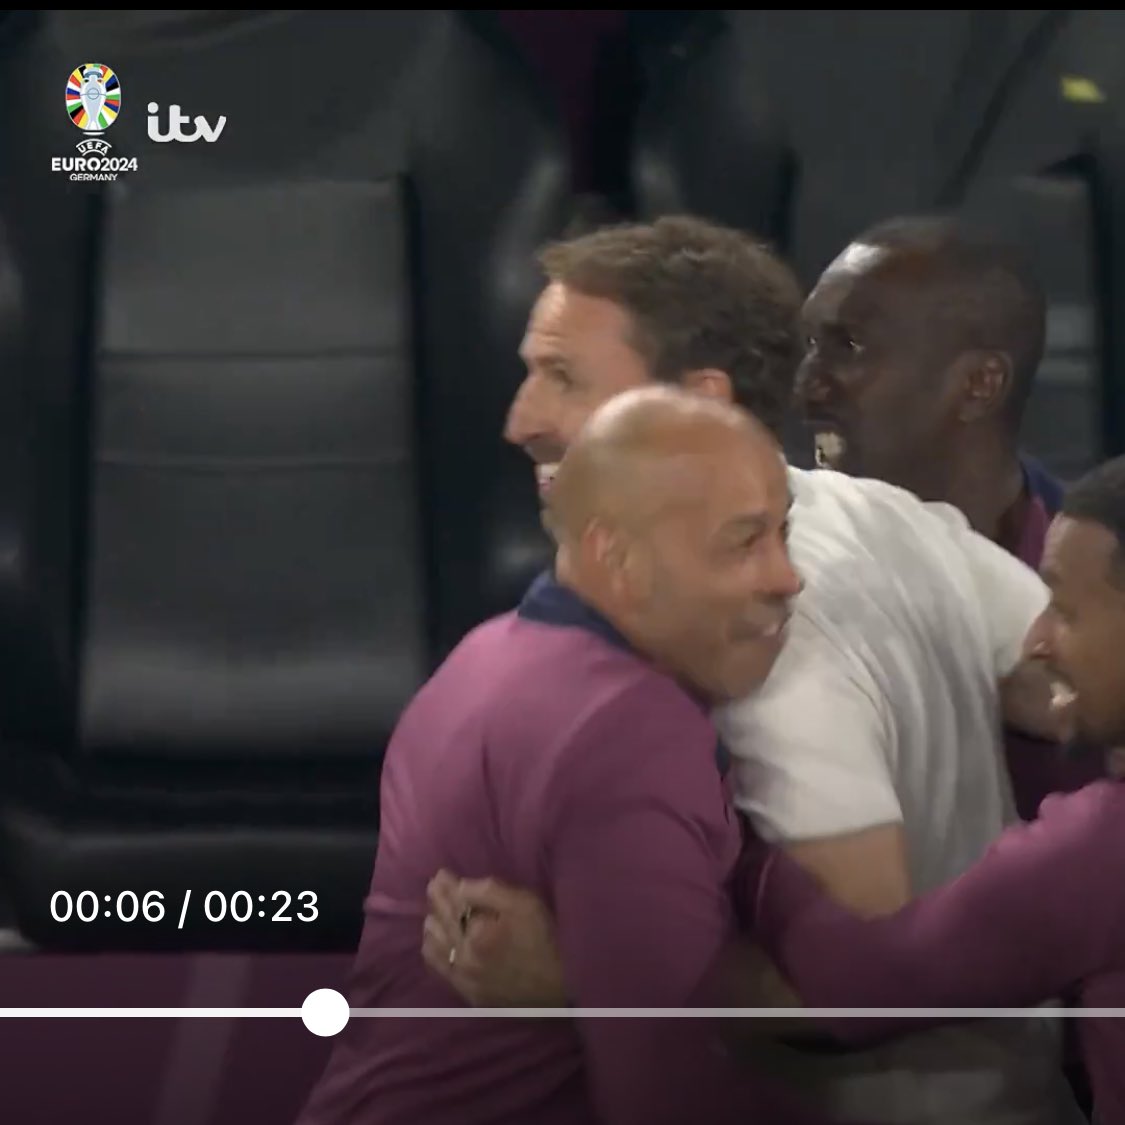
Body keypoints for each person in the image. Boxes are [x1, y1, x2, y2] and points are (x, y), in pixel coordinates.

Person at [425, 215, 1081, 1125]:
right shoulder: (885, 513)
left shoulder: (762, 633)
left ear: (697, 399)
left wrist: (587, 967)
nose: (522, 420)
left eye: (566, 380)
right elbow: (1069, 689)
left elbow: (867, 983)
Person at [296, 386, 826, 1125]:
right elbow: (670, 1099)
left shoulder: (484, 656)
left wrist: (589, 980)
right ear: (618, 554)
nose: (786, 576)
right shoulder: (629, 730)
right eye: (742, 541)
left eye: (781, 534)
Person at [747, 454, 1125, 1125]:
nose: (1036, 639)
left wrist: (743, 861)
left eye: (1063, 608)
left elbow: (860, 987)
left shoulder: (1101, 853)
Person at [795, 213, 1103, 819]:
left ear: (979, 384)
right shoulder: (757, 572)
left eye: (849, 347)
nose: (807, 385)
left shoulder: (1106, 590)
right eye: (809, 345)